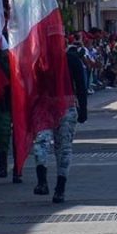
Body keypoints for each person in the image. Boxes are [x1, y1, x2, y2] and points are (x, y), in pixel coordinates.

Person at [33, 38, 88, 203]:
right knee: (63, 148)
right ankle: (59, 189)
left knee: (41, 143)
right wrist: (83, 109)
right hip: (66, 106)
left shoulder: (41, 61)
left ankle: (43, 181)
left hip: (47, 106)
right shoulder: (72, 60)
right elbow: (81, 86)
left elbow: (32, 86)